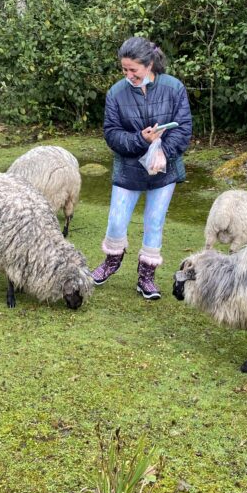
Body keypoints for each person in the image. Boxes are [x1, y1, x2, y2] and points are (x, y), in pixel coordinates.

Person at [92, 36, 193, 300]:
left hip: (164, 170)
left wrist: (163, 152)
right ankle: (111, 263)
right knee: (116, 221)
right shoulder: (116, 93)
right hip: (128, 169)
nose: (128, 75)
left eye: (133, 70)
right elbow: (112, 134)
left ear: (149, 64)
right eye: (124, 70)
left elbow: (183, 129)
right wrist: (140, 140)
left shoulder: (174, 88)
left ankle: (146, 277)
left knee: (155, 222)